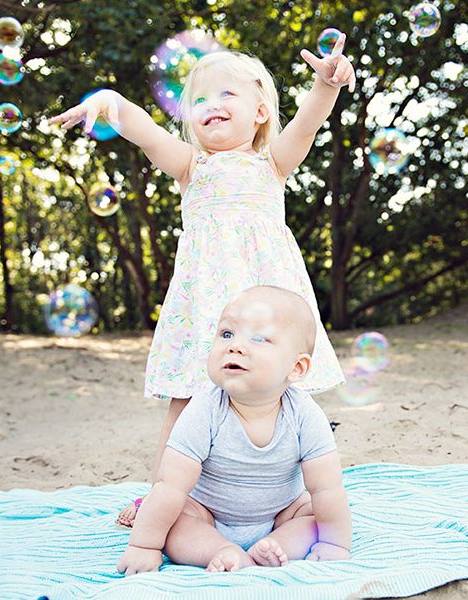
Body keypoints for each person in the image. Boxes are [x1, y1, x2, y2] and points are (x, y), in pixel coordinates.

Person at [51, 32, 356, 527]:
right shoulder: (191, 166)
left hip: (267, 306)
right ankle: (161, 495)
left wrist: (326, 85)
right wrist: (109, 102)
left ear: (260, 112)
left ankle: (290, 496)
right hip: (206, 308)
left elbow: (306, 124)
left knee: (282, 393)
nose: (210, 106)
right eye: (198, 100)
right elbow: (146, 131)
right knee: (187, 395)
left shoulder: (272, 162)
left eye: (226, 95)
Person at [116, 286, 352, 575]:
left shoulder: (305, 415)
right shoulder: (204, 410)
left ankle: (271, 547)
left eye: (259, 338)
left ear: (297, 368)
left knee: (314, 516)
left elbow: (327, 488)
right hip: (208, 515)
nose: (235, 346)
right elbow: (170, 486)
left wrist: (335, 544)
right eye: (227, 334)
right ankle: (222, 551)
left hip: (281, 513)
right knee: (175, 520)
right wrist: (144, 546)